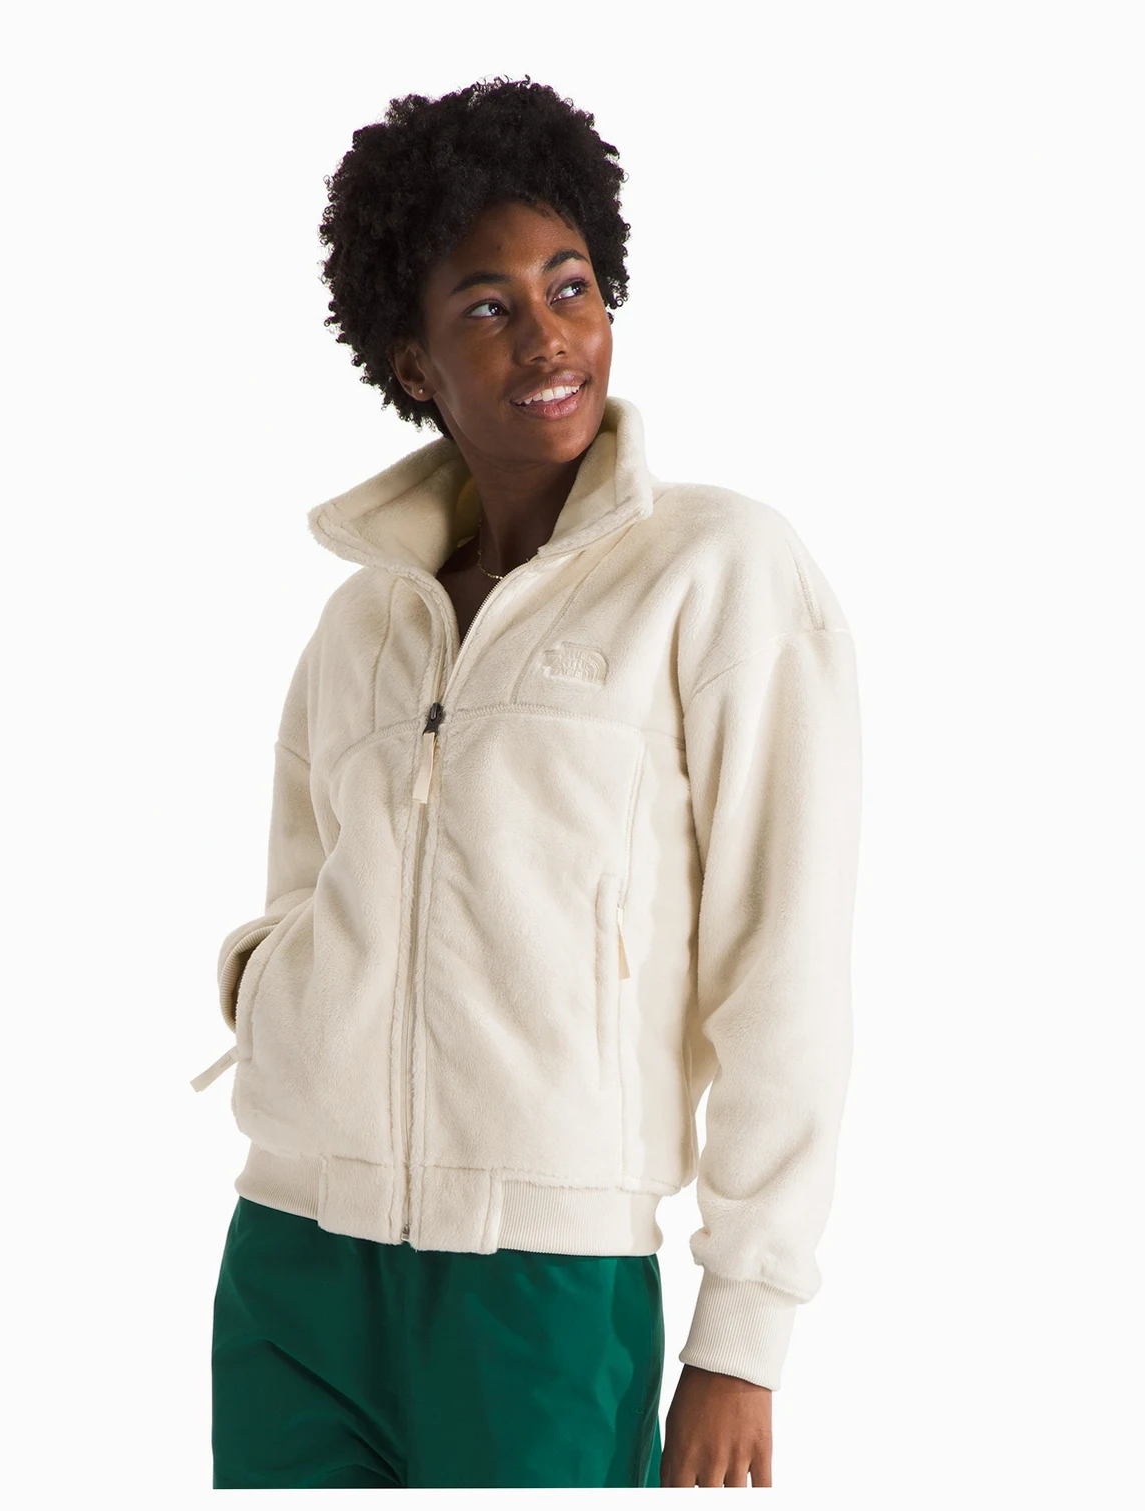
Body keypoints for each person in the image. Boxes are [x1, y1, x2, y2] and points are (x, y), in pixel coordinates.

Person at [190, 75, 863, 1490]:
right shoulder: (363, 623)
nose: (549, 335)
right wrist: (277, 988)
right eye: (488, 305)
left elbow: (781, 957)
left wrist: (744, 1329)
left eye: (571, 285)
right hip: (292, 1263)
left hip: (544, 1278)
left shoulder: (719, 572)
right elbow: (301, 886)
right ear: (413, 360)